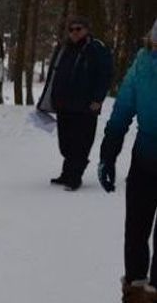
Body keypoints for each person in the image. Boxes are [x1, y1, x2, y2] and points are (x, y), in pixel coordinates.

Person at [98, 18, 157, 303]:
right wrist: (108, 152)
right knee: (135, 230)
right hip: (145, 160)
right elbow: (122, 109)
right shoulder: (143, 64)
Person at [38, 15, 113, 191]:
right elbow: (55, 73)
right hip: (63, 104)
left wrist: (98, 99)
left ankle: (75, 177)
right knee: (65, 144)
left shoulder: (96, 48)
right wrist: (49, 98)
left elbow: (105, 75)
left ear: (86, 30)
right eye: (71, 29)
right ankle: (66, 174)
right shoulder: (64, 48)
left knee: (81, 144)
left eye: (78, 29)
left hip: (85, 106)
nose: (74, 33)